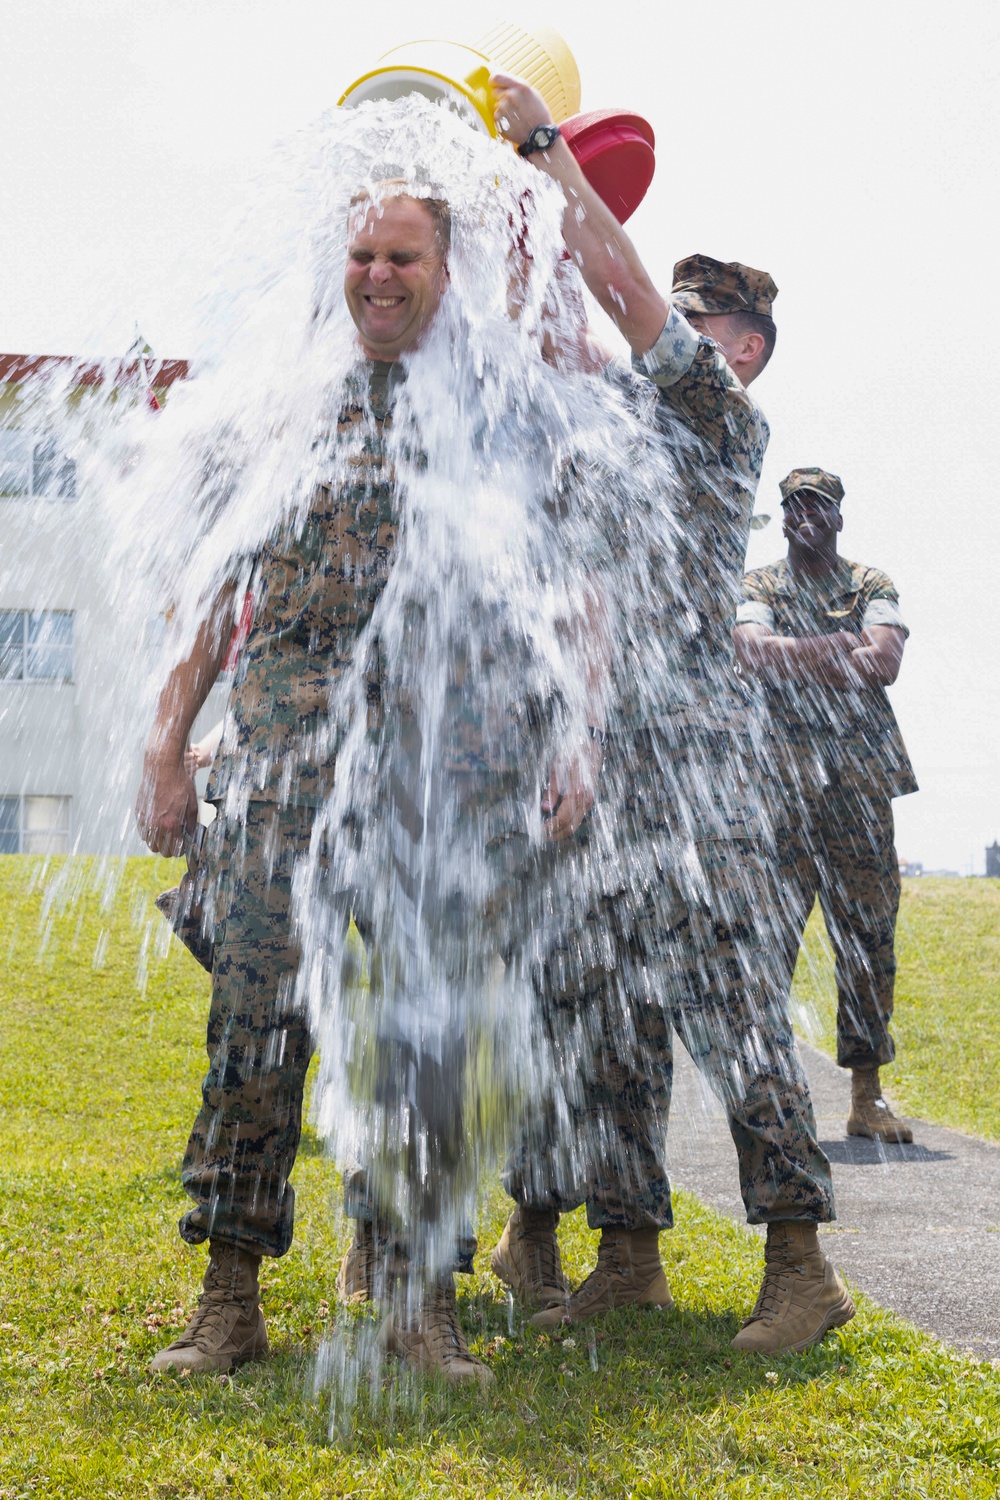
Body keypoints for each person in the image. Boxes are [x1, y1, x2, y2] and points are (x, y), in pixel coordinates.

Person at [135, 183, 605, 1383]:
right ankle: (228, 1300)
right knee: (254, 1024)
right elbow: (211, 587)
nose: (379, 274)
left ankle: (417, 1305)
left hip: (447, 768)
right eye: (361, 253)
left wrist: (576, 738)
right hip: (285, 759)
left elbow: (576, 585)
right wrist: (163, 745)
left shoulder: (492, 410)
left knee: (429, 1039)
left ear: (445, 273)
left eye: (403, 254)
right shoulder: (286, 406)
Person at [488, 73, 852, 1354]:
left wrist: (547, 156)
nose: (651, 332)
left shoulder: (713, 413)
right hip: (590, 752)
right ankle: (627, 1250)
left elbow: (623, 294)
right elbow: (565, 331)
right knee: (598, 1012)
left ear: (732, 349)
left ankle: (799, 1264)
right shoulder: (612, 426)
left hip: (693, 760)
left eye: (693, 324)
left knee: (731, 1004)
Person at [735, 466, 917, 1143]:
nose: (805, 515)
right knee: (770, 940)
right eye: (794, 506)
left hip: (860, 791)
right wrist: (836, 648)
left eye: (819, 505)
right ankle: (767, 1096)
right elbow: (750, 652)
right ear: (782, 518)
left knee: (868, 939)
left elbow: (886, 660)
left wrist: (797, 655)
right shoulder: (759, 585)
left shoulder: (870, 583)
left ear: (839, 516)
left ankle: (866, 1098)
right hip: (779, 790)